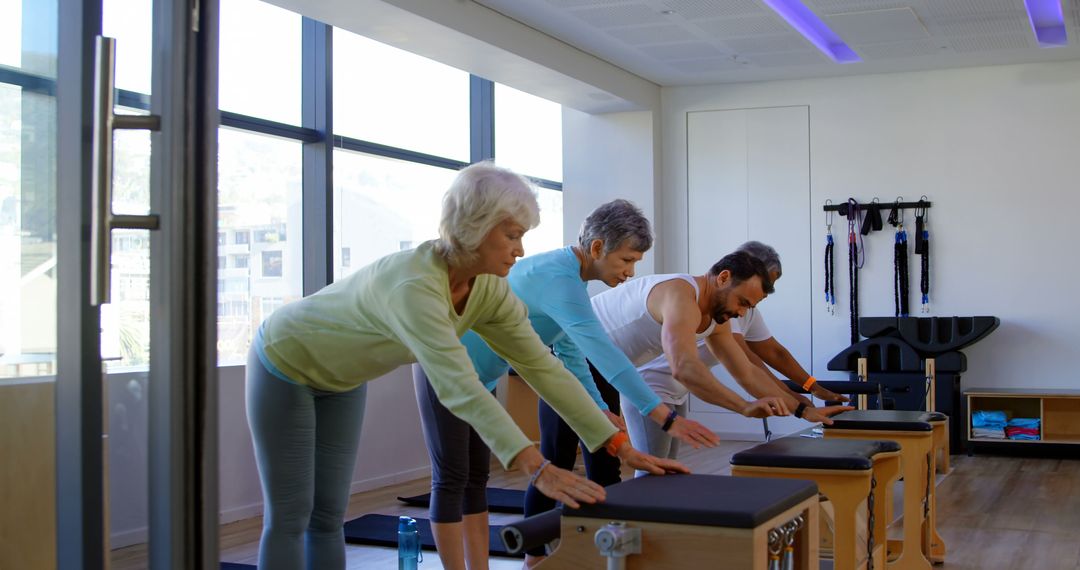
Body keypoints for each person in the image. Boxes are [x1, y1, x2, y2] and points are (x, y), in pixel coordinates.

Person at [246, 163, 686, 570]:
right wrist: (536, 465)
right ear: (475, 227)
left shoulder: (489, 290)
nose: (520, 249)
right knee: (290, 514)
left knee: (326, 516)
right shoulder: (415, 285)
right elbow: (459, 385)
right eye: (511, 234)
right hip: (286, 361)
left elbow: (541, 366)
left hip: (344, 379)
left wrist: (614, 442)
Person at [415, 199, 724, 570]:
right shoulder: (559, 279)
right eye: (626, 260)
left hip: (479, 380)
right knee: (452, 479)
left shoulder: (569, 281)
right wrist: (665, 417)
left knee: (476, 478)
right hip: (442, 369)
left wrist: (600, 409)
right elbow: (607, 356)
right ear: (597, 248)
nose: (630, 271)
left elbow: (572, 354)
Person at [629, 242, 852, 464]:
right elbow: (749, 364)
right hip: (649, 381)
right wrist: (793, 400)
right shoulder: (714, 307)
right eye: (765, 280)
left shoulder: (740, 310)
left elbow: (774, 354)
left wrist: (812, 390)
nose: (769, 288)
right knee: (654, 468)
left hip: (676, 388)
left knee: (666, 466)